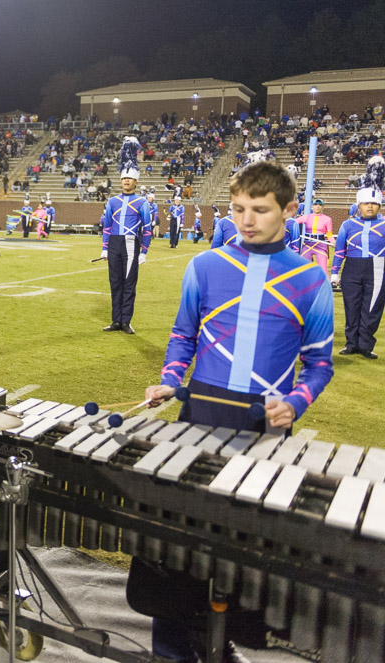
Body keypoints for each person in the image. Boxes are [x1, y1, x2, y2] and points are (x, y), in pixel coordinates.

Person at [129, 159, 333, 662]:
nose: (246, 220)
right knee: (176, 542)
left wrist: (296, 402)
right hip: (197, 415)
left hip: (263, 426)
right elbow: (182, 337)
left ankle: (224, 639)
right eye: (239, 208)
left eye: (259, 210)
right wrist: (170, 383)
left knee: (245, 546)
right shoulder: (205, 266)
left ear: (288, 210)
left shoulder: (312, 281)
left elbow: (320, 364)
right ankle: (173, 646)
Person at [331, 159, 385, 358]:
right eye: (365, 204)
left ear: (379, 205)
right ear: (358, 205)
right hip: (352, 269)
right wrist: (335, 272)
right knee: (351, 306)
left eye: (373, 203)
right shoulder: (347, 225)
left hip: (378, 270)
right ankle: (351, 344)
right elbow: (339, 250)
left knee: (372, 309)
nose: (369, 207)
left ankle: (366, 346)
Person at [100, 137, 153, 334]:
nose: (126, 181)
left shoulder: (142, 203)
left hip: (132, 244)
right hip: (114, 243)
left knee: (129, 283)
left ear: (135, 181)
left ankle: (126, 321)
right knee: (115, 282)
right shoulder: (112, 201)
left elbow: (147, 228)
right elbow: (106, 226)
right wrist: (104, 248)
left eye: (129, 178)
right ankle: (115, 320)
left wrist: (144, 251)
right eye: (123, 178)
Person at [297, 199, 334, 271]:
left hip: (320, 245)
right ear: (312, 206)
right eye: (315, 204)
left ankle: (324, 282)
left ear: (323, 207)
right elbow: (293, 223)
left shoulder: (327, 219)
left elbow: (329, 234)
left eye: (320, 205)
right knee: (303, 268)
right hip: (307, 244)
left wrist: (333, 241)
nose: (317, 206)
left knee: (323, 268)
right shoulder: (306, 217)